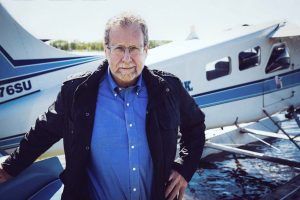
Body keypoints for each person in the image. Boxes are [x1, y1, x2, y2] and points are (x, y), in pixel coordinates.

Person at [0, 12, 205, 200]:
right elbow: (43, 131)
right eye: (118, 48)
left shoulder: (169, 88)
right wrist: (8, 168)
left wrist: (184, 168)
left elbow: (195, 126)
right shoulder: (77, 92)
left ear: (146, 50)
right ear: (106, 49)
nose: (127, 58)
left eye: (134, 48)